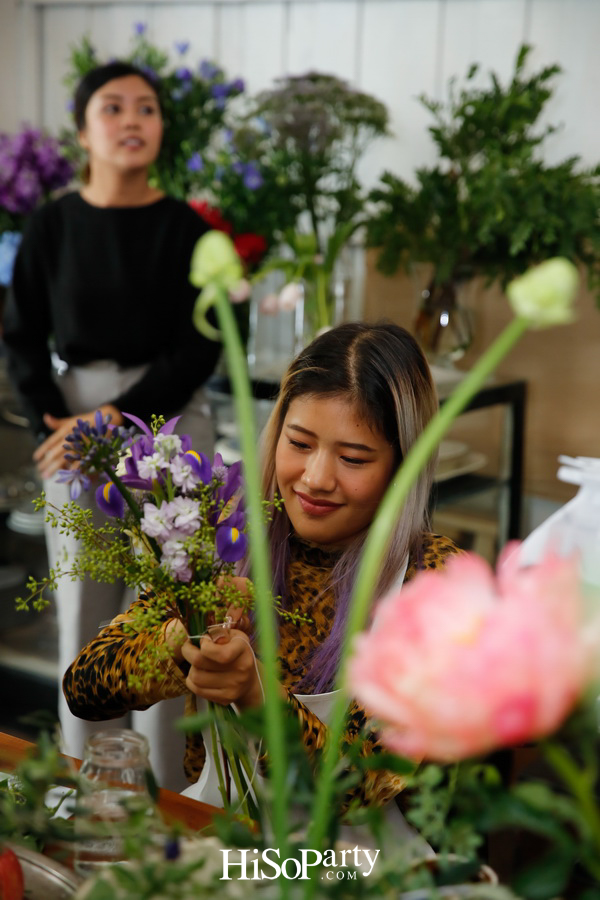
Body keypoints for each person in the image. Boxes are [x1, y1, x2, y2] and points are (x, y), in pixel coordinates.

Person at [63, 322, 459, 822]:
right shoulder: (228, 535)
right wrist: (183, 640)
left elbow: (352, 786)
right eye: (299, 443)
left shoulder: (436, 583)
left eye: (353, 458)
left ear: (404, 465)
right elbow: (84, 688)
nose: (315, 479)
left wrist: (255, 695)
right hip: (223, 843)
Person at [2, 62, 220, 788]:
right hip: (76, 421)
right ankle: (89, 794)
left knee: (169, 616)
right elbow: (22, 336)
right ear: (83, 128)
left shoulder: (188, 227)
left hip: (174, 423)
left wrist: (114, 417)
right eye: (113, 106)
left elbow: (203, 342)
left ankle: (173, 798)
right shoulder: (52, 225)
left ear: (162, 128)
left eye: (147, 109)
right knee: (85, 619)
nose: (132, 120)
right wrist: (54, 421)